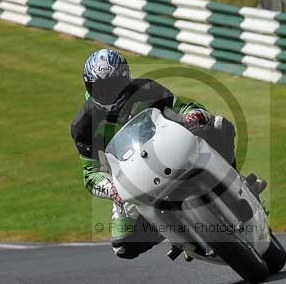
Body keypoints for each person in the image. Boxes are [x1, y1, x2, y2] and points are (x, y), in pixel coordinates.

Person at [70, 49, 265, 260]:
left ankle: (238, 182)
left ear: (125, 78)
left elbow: (183, 106)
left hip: (170, 149)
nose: (107, 93)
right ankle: (174, 232)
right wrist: (112, 190)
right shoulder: (84, 124)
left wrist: (194, 114)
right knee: (123, 245)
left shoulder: (146, 89)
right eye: (99, 87)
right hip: (129, 178)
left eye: (113, 85)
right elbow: (90, 175)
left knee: (216, 126)